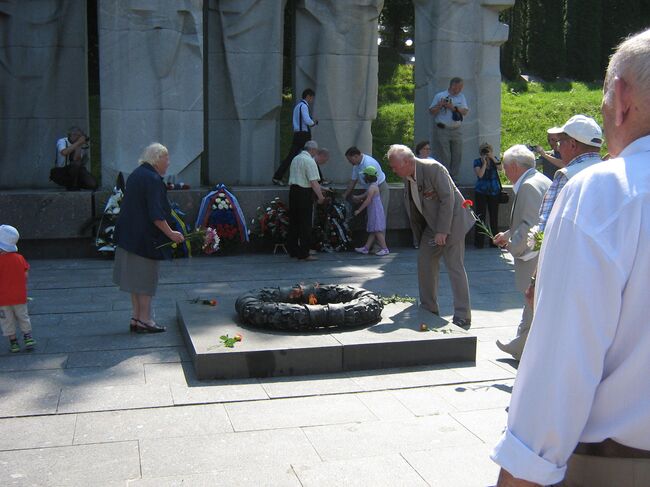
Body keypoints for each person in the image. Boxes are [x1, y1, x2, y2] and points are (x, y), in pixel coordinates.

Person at [492, 28, 650, 487]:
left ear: (620, 97)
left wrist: (520, 473)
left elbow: (562, 365)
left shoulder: (607, 189)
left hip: (618, 468)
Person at [388, 144, 474, 329]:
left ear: (408, 161)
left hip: (452, 223)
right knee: (425, 262)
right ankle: (429, 308)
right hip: (432, 226)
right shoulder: (407, 176)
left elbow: (447, 199)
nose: (392, 170)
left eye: (395, 166)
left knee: (454, 267)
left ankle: (462, 315)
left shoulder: (433, 168)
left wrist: (443, 231)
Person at [523, 115, 603, 309]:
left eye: (560, 142)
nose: (558, 147)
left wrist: (534, 279)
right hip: (603, 273)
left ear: (573, 144)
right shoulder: (614, 173)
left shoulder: (567, 176)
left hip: (568, 272)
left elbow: (546, 230)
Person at [113, 143, 185, 333]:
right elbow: (156, 214)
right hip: (144, 240)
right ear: (157, 158)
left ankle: (136, 318)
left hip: (128, 237)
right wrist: (171, 234)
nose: (168, 163)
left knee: (135, 282)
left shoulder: (137, 174)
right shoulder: (153, 179)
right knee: (145, 281)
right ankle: (145, 320)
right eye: (166, 158)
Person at [491, 146, 551, 361]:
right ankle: (519, 345)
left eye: (505, 168)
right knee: (531, 303)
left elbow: (529, 224)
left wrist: (511, 246)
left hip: (532, 255)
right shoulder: (540, 180)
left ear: (515, 167)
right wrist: (508, 234)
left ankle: (524, 347)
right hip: (539, 250)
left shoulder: (527, 186)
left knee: (532, 301)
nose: (504, 172)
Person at [287, 140, 326, 261]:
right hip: (304, 193)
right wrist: (321, 197)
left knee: (294, 222)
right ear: (313, 150)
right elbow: (313, 182)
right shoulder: (309, 161)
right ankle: (304, 253)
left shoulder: (295, 159)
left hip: (293, 192)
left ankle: (293, 250)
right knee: (305, 223)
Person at [0, 225, 35, 353]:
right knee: (23, 317)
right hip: (19, 296)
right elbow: (25, 275)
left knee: (6, 320)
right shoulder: (20, 258)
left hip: (2, 299)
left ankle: (13, 342)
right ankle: (28, 337)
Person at [273, 88, 318, 185]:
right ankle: (319, 179)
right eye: (312, 98)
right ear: (308, 96)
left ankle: (277, 176)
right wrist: (314, 122)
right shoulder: (304, 106)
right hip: (303, 135)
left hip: (298, 134)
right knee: (311, 154)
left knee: (291, 156)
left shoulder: (298, 106)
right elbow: (307, 121)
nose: (312, 100)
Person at [428, 77, 469, 181]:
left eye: (461, 87)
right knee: (445, 155)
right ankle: (446, 178)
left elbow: (464, 111)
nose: (459, 89)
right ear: (452, 86)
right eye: (458, 87)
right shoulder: (440, 96)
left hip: (456, 129)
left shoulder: (461, 97)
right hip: (443, 129)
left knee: (457, 154)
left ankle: (454, 177)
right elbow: (431, 111)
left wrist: (452, 107)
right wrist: (440, 105)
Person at [343, 146, 390, 234]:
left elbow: (372, 187)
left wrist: (360, 197)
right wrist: (345, 195)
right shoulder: (356, 165)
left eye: (350, 160)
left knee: (379, 219)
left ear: (356, 156)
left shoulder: (369, 164)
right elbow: (353, 181)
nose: (350, 162)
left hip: (380, 188)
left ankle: (379, 246)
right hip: (370, 190)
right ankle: (368, 246)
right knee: (372, 219)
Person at [353, 166, 389, 256]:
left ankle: (385, 249)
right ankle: (366, 248)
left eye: (365, 175)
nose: (363, 177)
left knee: (377, 230)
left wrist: (359, 210)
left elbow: (368, 200)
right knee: (373, 230)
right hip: (374, 210)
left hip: (375, 211)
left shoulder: (372, 188)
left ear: (368, 177)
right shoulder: (374, 186)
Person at [473, 142, 502, 248]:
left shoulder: (494, 160)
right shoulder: (477, 161)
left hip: (494, 191)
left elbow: (500, 169)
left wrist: (492, 158)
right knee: (481, 217)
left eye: (488, 150)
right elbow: (480, 175)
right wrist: (484, 163)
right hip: (481, 191)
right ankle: (479, 242)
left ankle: (494, 242)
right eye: (484, 151)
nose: (486, 152)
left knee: (494, 217)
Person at [52, 126, 98, 190]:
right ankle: (72, 185)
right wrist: (78, 143)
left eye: (81, 136)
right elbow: (64, 152)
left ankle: (76, 184)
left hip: (76, 170)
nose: (79, 138)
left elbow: (76, 160)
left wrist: (79, 146)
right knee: (75, 165)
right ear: (72, 135)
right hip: (61, 170)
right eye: (78, 136)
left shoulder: (81, 144)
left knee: (93, 185)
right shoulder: (62, 141)